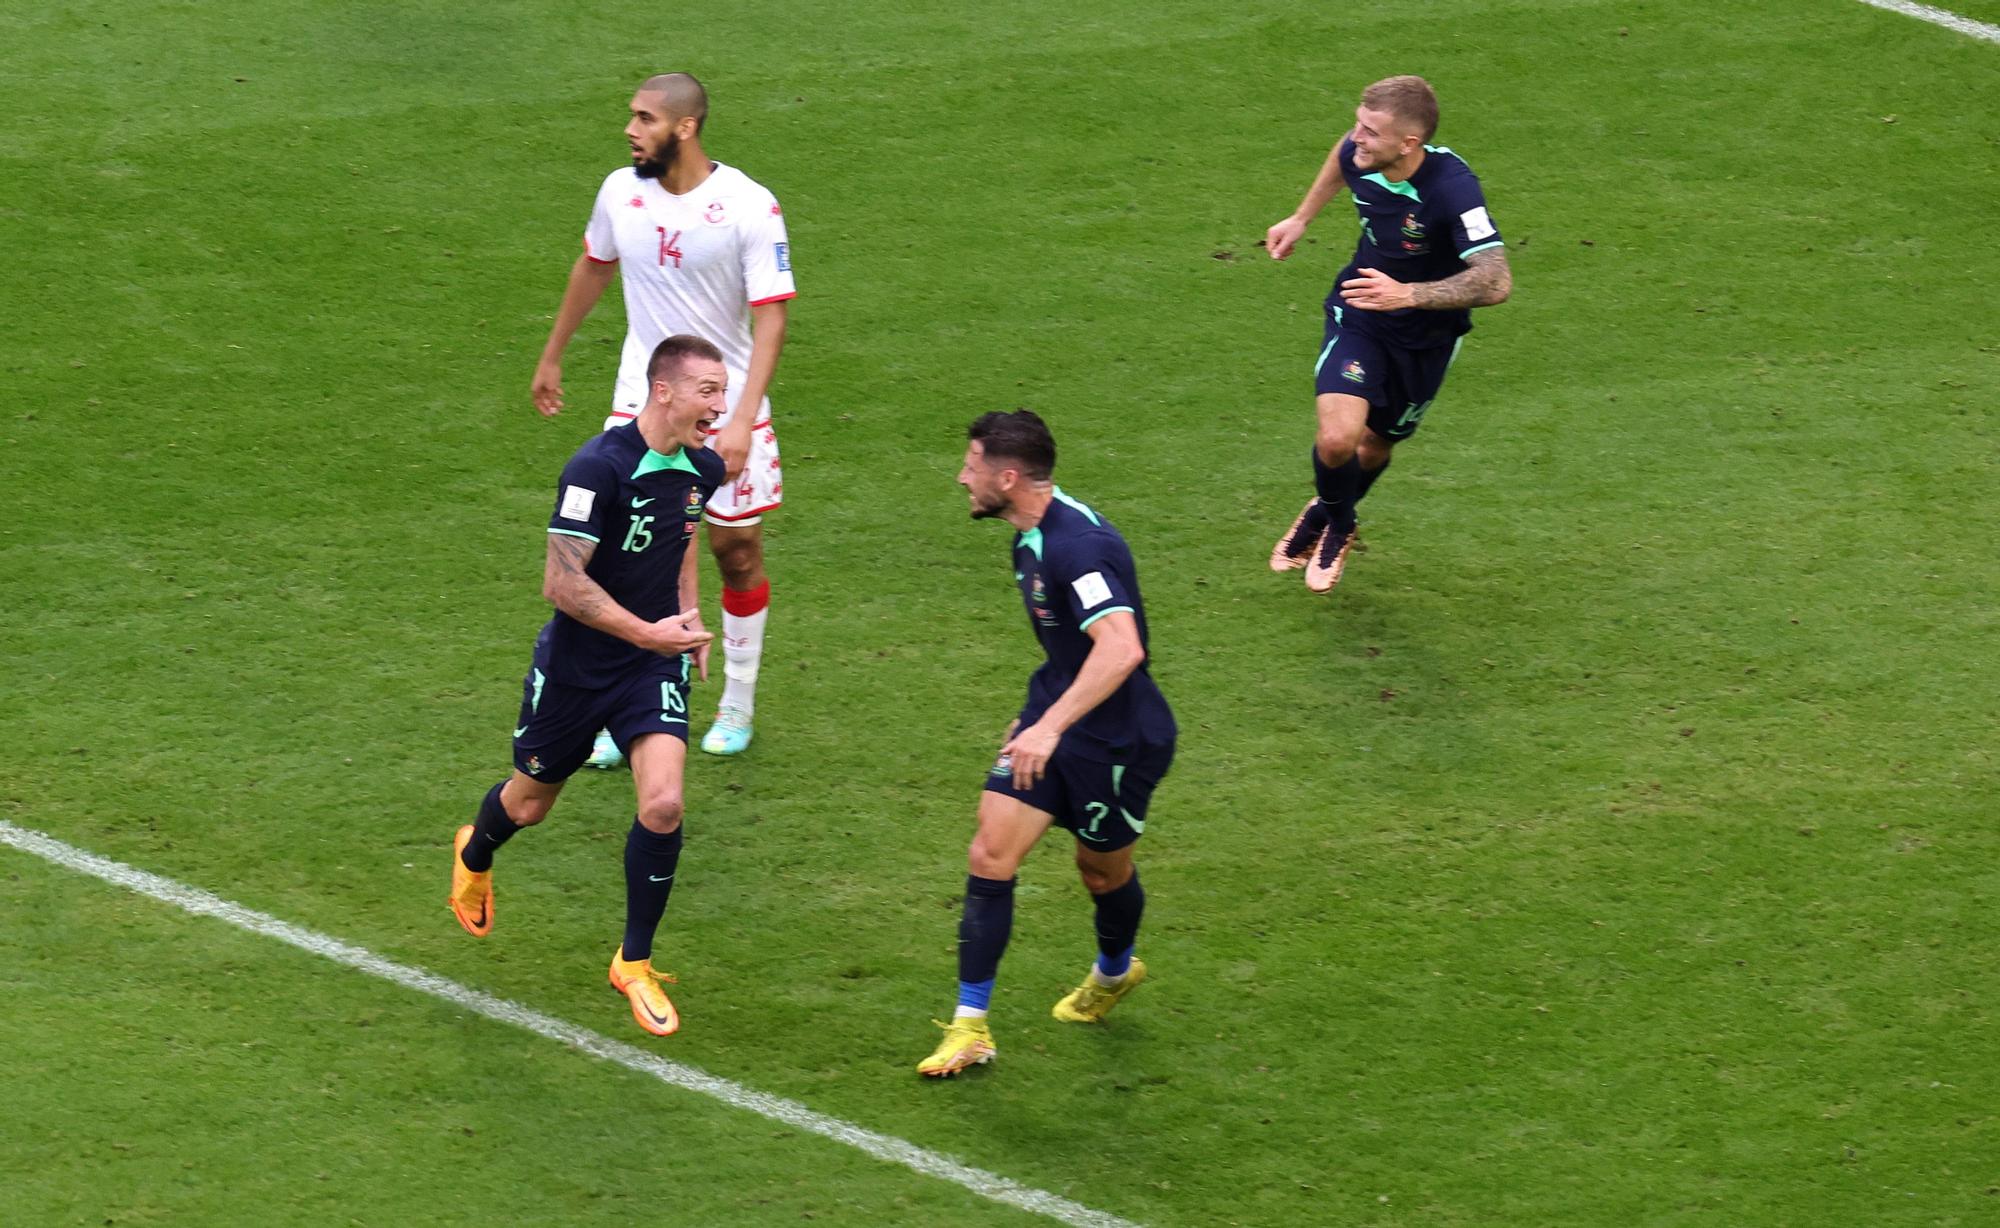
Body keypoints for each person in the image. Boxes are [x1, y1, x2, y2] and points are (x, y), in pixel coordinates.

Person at [450, 335, 727, 1038]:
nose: (718, 407)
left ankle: (633, 962)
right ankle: (474, 856)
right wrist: (650, 632)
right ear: (662, 390)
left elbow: (684, 538)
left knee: (663, 804)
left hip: (650, 665)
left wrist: (687, 618)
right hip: (578, 669)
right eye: (707, 392)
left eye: (722, 393)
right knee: (530, 802)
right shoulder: (596, 468)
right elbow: (561, 582)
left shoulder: (702, 469)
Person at [531, 72, 795, 761]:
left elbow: (771, 321)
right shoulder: (620, 193)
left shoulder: (749, 206)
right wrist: (553, 353)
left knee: (735, 551)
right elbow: (593, 266)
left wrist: (739, 419)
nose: (629, 129)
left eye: (644, 118)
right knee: (626, 553)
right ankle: (628, 707)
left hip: (724, 409)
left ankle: (736, 701)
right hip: (642, 407)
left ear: (684, 127)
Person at [918, 411, 1178, 1078]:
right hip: (1058, 716)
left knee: (1101, 873)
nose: (961, 477)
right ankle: (970, 1026)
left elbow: (1122, 649)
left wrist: (1050, 727)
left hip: (1118, 741)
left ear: (1007, 477)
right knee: (989, 851)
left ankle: (1114, 972)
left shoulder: (1074, 547)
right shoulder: (1028, 535)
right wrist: (1034, 718)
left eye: (971, 466)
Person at [1264, 75, 1511, 591]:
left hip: (1427, 337)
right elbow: (1341, 155)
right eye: (1357, 124)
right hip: (1361, 310)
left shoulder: (1451, 188)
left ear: (1409, 144)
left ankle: (1329, 510)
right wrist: (1302, 217)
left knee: (1376, 444)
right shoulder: (1363, 152)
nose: (1357, 138)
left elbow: (1495, 279)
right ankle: (1339, 521)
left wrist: (1410, 295)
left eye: (1370, 132)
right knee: (1337, 439)